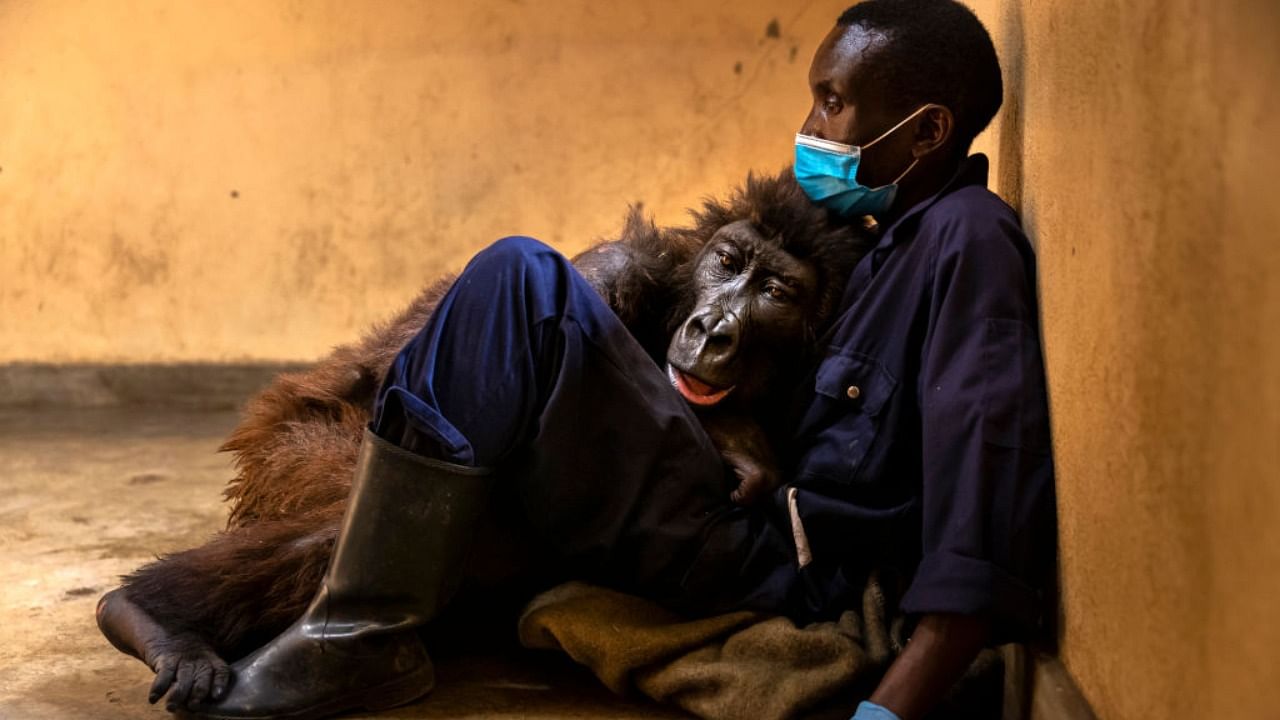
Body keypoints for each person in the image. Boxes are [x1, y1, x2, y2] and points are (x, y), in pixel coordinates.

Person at [181, 2, 1056, 719]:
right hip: (727, 504)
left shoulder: (965, 242)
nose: (810, 125)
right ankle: (348, 608)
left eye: (832, 102)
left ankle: (355, 636)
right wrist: (739, 429)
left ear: (926, 130)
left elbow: (985, 470)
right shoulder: (877, 242)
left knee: (521, 279)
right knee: (533, 289)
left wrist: (891, 708)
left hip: (768, 561)